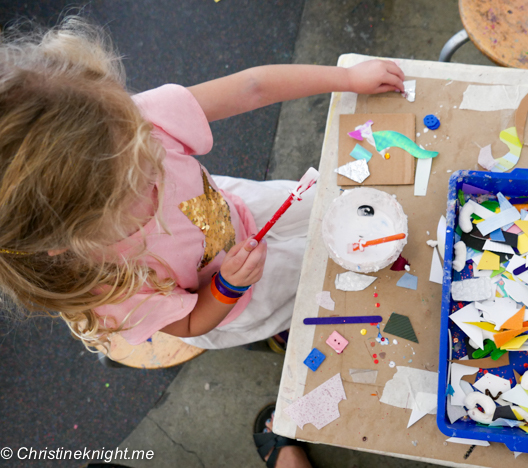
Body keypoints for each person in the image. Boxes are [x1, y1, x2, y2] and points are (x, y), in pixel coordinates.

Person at [0, 17, 404, 467]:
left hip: (245, 209)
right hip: (239, 294)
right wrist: (228, 288)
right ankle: (278, 332)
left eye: (140, 138)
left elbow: (252, 86)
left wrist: (347, 78)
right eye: (136, 174)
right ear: (69, 233)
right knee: (322, 287)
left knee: (341, 221)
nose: (153, 153)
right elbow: (192, 325)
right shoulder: (102, 283)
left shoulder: (117, 122)